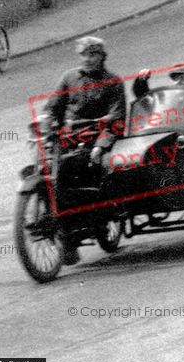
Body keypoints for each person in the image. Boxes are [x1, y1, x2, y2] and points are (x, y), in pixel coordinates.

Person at [44, 36, 126, 265]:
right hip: (67, 139)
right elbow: (53, 107)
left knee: (77, 172)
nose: (87, 59)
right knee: (46, 170)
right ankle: (58, 224)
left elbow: (118, 119)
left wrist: (101, 145)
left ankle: (72, 235)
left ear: (102, 57)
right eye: (83, 55)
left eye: (92, 54)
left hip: (94, 141)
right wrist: (47, 123)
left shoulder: (113, 82)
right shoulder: (69, 77)